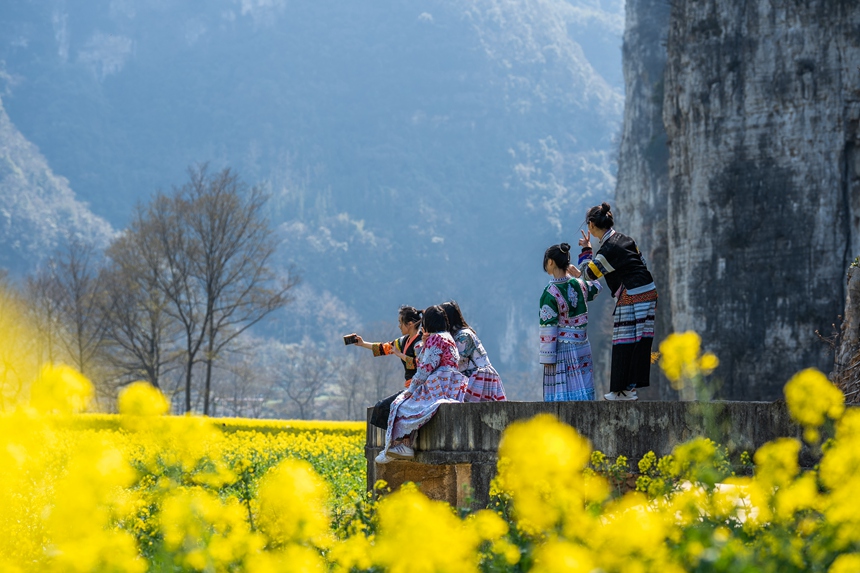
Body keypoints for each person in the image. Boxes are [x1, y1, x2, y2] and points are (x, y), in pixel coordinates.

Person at [576, 202, 657, 401]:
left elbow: (588, 275)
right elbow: (641, 262)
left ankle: (622, 391)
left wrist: (586, 251)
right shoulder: (626, 239)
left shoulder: (608, 248)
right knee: (638, 341)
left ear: (591, 225)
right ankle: (628, 390)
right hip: (647, 289)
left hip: (633, 293)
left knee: (624, 340)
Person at [376, 305, 466, 463]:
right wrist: (424, 344)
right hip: (451, 385)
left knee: (401, 404)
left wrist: (411, 389)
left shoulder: (436, 338)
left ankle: (401, 446)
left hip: (438, 384)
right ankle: (399, 447)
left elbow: (425, 368)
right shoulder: (448, 337)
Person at [540, 243, 602, 401]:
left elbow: (549, 327)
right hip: (583, 345)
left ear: (550, 262)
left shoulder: (550, 293)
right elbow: (596, 286)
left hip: (562, 349)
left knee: (563, 392)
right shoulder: (580, 284)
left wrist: (547, 357)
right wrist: (584, 260)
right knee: (584, 386)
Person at [352, 306, 423, 429]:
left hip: (418, 387)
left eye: (401, 322)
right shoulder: (403, 341)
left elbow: (420, 364)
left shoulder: (421, 342)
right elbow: (384, 348)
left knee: (383, 407)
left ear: (410, 324)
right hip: (408, 386)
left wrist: (400, 355)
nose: (399, 326)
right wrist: (362, 344)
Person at [440, 301, 506, 402]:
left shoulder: (463, 336)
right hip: (472, 375)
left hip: (478, 377)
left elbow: (457, 361)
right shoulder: (458, 334)